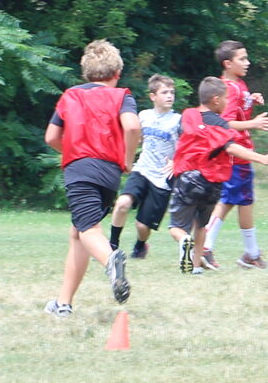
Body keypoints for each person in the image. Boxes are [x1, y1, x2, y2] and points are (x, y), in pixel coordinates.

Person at [43, 40, 140, 319]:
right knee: (78, 233)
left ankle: (111, 260)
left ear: (86, 73)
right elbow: (132, 126)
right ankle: (63, 303)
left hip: (80, 170)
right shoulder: (122, 95)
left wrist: (74, 150)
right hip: (109, 171)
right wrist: (127, 158)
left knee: (88, 231)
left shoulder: (71, 95)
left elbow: (51, 137)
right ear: (117, 72)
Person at [169, 77, 268, 273]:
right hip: (212, 183)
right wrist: (261, 158)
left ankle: (183, 240)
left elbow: (184, 139)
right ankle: (195, 266)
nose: (228, 103)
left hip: (188, 178)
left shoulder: (188, 115)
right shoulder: (220, 125)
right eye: (226, 99)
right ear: (216, 100)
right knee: (202, 225)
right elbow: (230, 147)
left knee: (176, 227)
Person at [201, 39, 268, 269]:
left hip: (240, 152)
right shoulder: (227, 88)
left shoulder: (238, 86)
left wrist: (251, 100)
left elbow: (238, 111)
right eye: (242, 59)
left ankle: (246, 253)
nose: (248, 62)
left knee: (237, 201)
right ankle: (212, 248)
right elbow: (224, 122)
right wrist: (253, 123)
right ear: (227, 63)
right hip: (235, 153)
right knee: (236, 201)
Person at [109, 75, 180, 261]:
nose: (169, 96)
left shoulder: (178, 121)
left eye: (172, 92)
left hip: (163, 178)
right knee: (122, 203)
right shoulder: (144, 116)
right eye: (164, 92)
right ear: (153, 96)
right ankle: (112, 247)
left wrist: (177, 162)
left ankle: (140, 245)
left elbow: (187, 147)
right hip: (142, 170)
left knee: (142, 227)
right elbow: (135, 139)